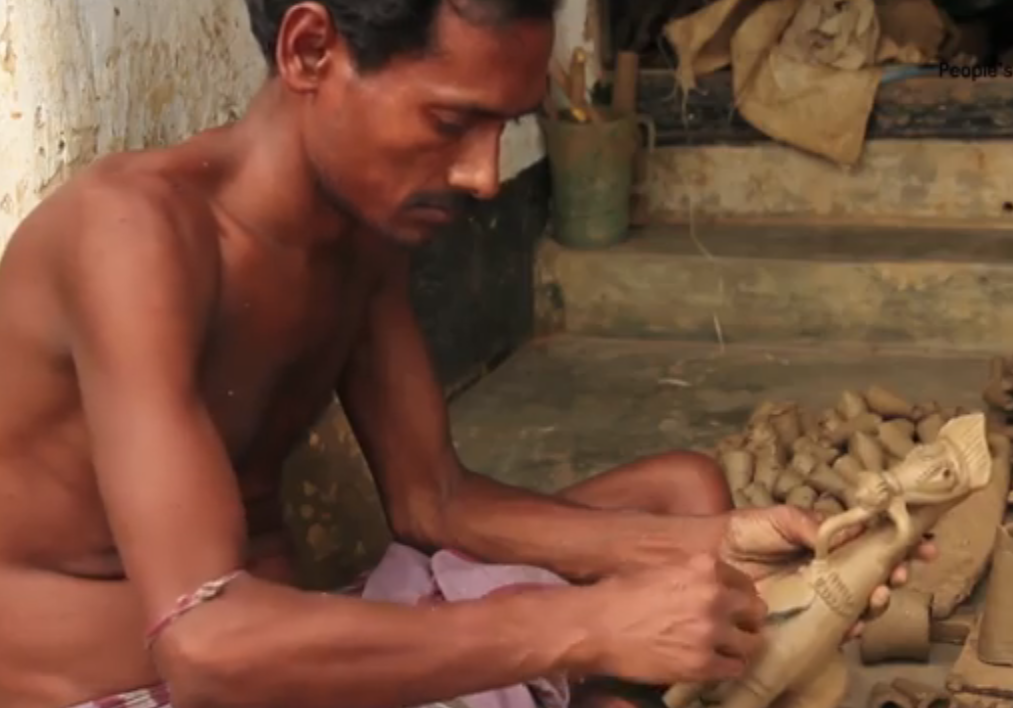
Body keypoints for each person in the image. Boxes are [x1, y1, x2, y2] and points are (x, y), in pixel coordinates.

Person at [0, 1, 936, 706]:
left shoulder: (361, 229)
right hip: (136, 671)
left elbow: (430, 499)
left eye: (506, 127)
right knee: (609, 621)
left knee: (685, 496)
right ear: (311, 51)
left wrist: (707, 546)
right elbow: (198, 643)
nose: (485, 175)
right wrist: (581, 626)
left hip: (297, 621)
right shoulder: (134, 234)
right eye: (452, 124)